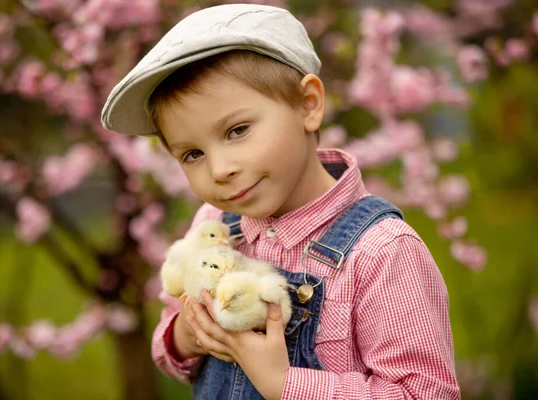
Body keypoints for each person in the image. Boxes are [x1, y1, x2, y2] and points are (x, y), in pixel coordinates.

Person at [101, 3, 460, 399]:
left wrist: (286, 384)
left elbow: (425, 392)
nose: (219, 169)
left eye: (237, 130)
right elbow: (169, 347)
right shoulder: (217, 227)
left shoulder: (381, 253)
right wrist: (186, 335)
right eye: (192, 154)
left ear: (308, 104)